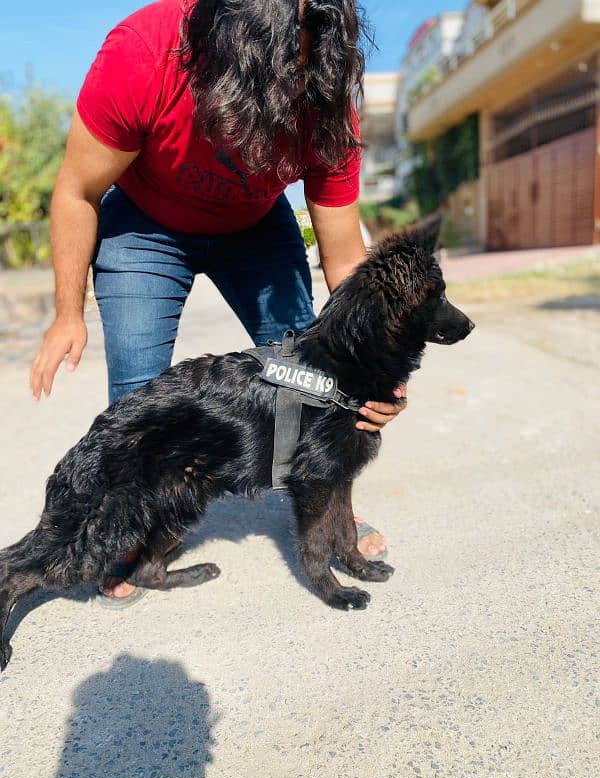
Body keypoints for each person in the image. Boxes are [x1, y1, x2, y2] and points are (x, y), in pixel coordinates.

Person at [29, 0, 407, 602]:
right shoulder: (146, 53)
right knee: (140, 400)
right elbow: (77, 190)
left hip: (256, 228)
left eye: (306, 75)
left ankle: (332, 518)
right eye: (281, 74)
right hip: (143, 226)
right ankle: (134, 537)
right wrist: (66, 313)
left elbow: (342, 259)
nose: (295, 91)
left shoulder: (328, 101)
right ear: (229, 46)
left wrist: (379, 368)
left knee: (317, 386)